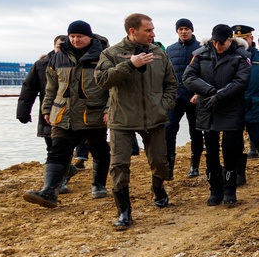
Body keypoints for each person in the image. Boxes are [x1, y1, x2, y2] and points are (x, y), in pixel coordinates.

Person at [96, 13, 177, 230]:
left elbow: (171, 84)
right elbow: (101, 81)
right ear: (133, 31)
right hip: (122, 119)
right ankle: (124, 212)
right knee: (119, 165)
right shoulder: (111, 53)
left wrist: (163, 105)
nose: (153, 34)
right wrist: (130, 65)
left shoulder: (159, 54)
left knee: (160, 162)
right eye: (148, 30)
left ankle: (158, 189)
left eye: (152, 29)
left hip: (154, 118)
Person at [24, 21, 112, 208]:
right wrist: (46, 109)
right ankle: (49, 191)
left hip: (93, 114)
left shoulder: (104, 57)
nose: (75, 39)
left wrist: (108, 109)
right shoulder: (58, 57)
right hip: (64, 114)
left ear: (89, 37)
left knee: (99, 150)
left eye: (80, 36)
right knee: (58, 151)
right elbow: (52, 87)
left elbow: (113, 88)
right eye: (72, 36)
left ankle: (98, 184)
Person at [183, 24, 251, 206]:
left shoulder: (241, 57)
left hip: (231, 107)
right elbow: (188, 77)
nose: (218, 46)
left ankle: (230, 189)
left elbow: (241, 81)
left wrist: (220, 95)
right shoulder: (201, 54)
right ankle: (215, 189)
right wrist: (210, 91)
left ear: (230, 40)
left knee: (230, 148)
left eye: (222, 42)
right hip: (207, 106)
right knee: (211, 151)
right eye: (215, 42)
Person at [18, 35, 79, 195]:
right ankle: (66, 172)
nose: (62, 49)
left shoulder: (77, 63)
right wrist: (23, 112)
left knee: (61, 148)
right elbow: (28, 88)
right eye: (59, 46)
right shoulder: (41, 65)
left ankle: (61, 182)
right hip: (47, 113)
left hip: (68, 114)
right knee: (51, 148)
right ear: (54, 46)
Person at [231, 25, 259, 183]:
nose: (242, 42)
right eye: (238, 39)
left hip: (256, 103)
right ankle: (240, 173)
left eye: (244, 38)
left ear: (251, 39)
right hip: (236, 104)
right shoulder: (231, 56)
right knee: (235, 141)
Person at [165, 18, 204, 179]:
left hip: (194, 97)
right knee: (169, 130)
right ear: (177, 31)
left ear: (192, 30)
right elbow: (166, 74)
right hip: (175, 97)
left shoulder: (201, 49)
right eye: (180, 29)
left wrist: (200, 92)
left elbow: (205, 73)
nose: (183, 31)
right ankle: (169, 167)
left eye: (186, 28)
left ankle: (194, 166)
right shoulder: (170, 49)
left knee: (195, 132)